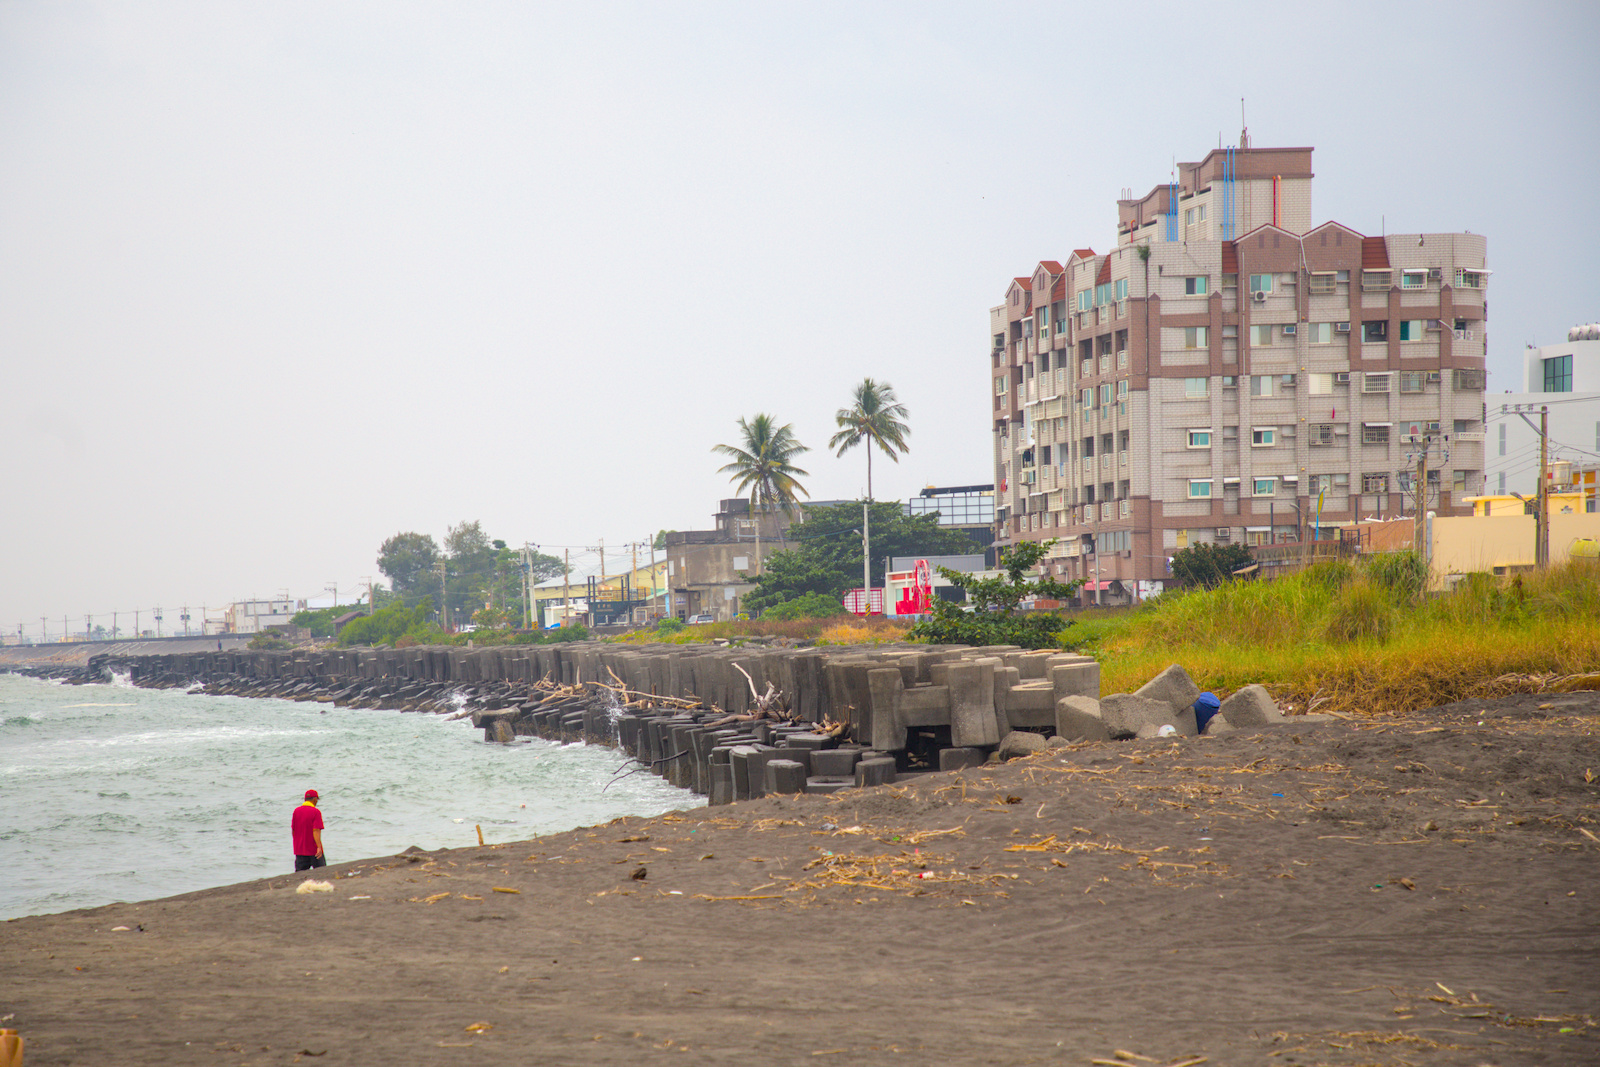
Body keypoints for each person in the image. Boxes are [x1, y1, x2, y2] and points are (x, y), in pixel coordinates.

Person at [292, 789, 326, 871]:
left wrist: (297, 844)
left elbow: (293, 830)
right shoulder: (315, 812)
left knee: (300, 874)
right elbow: (316, 830)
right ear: (315, 799)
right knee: (321, 872)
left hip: (300, 850)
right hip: (313, 849)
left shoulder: (296, 811)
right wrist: (319, 847)